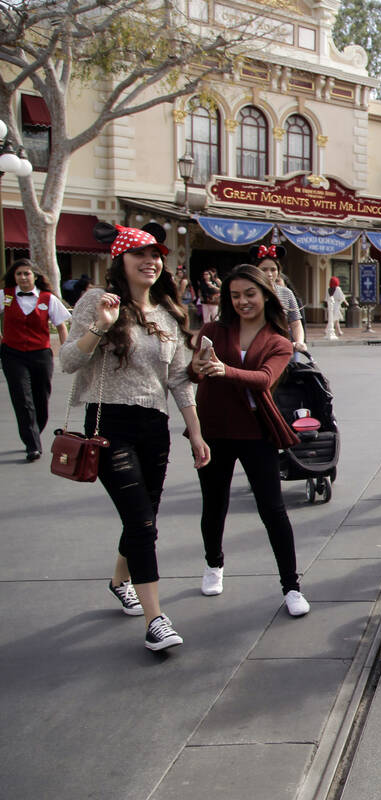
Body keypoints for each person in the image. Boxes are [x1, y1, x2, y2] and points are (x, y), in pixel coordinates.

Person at [60, 223, 210, 651]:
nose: (151, 262)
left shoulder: (167, 313)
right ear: (120, 260)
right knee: (143, 522)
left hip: (153, 427)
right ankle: (155, 618)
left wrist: (195, 433)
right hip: (108, 425)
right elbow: (69, 361)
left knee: (143, 517)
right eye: (140, 254)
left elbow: (180, 380)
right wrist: (101, 326)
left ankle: (118, 580)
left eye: (156, 255)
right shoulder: (97, 302)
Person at [189, 264, 309, 616]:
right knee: (214, 504)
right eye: (235, 295)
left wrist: (225, 371)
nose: (243, 301)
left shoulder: (279, 340)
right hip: (213, 429)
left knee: (273, 510)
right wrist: (197, 366)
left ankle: (291, 586)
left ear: (265, 294)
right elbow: (192, 374)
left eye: (249, 294)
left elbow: (263, 379)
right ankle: (214, 563)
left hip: (256, 432)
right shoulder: (213, 329)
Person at [2, 258, 70, 460]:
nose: (23, 277)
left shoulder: (48, 298)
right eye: (19, 274)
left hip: (40, 354)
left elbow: (61, 325)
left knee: (41, 399)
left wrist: (65, 351)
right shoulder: (6, 297)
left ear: (35, 276)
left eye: (27, 273)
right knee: (22, 399)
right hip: (12, 354)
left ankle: (33, 433)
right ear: (14, 277)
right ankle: (33, 444)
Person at [253, 244, 307, 356]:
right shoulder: (249, 292)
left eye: (273, 269)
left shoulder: (286, 293)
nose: (269, 274)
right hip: (256, 349)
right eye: (264, 269)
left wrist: (299, 342)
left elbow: (296, 323)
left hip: (282, 348)